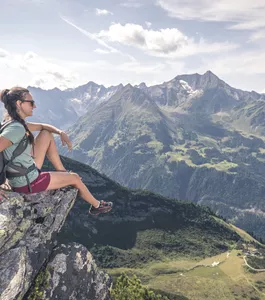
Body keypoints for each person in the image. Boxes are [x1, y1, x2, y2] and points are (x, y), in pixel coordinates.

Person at [0, 87, 113, 216]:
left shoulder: (14, 123)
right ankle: (97, 205)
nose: (35, 106)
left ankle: (62, 172)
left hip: (23, 172)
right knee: (75, 178)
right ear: (19, 104)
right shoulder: (16, 129)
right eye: (31, 102)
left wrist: (60, 132)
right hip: (27, 182)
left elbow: (43, 127)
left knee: (46, 134)